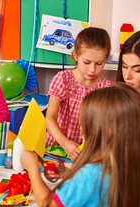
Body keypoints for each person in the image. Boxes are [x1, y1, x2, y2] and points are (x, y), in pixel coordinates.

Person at [21, 84, 140, 207]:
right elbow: (95, 194)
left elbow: (48, 206)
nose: (81, 128)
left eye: (85, 123)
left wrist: (32, 169)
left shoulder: (90, 175)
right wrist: (67, 175)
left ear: (106, 133)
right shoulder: (123, 166)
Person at [45, 27, 112, 160]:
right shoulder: (63, 79)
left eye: (99, 63)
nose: (92, 69)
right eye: (87, 62)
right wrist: (65, 143)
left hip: (86, 153)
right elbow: (50, 118)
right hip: (55, 148)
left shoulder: (106, 88)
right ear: (76, 56)